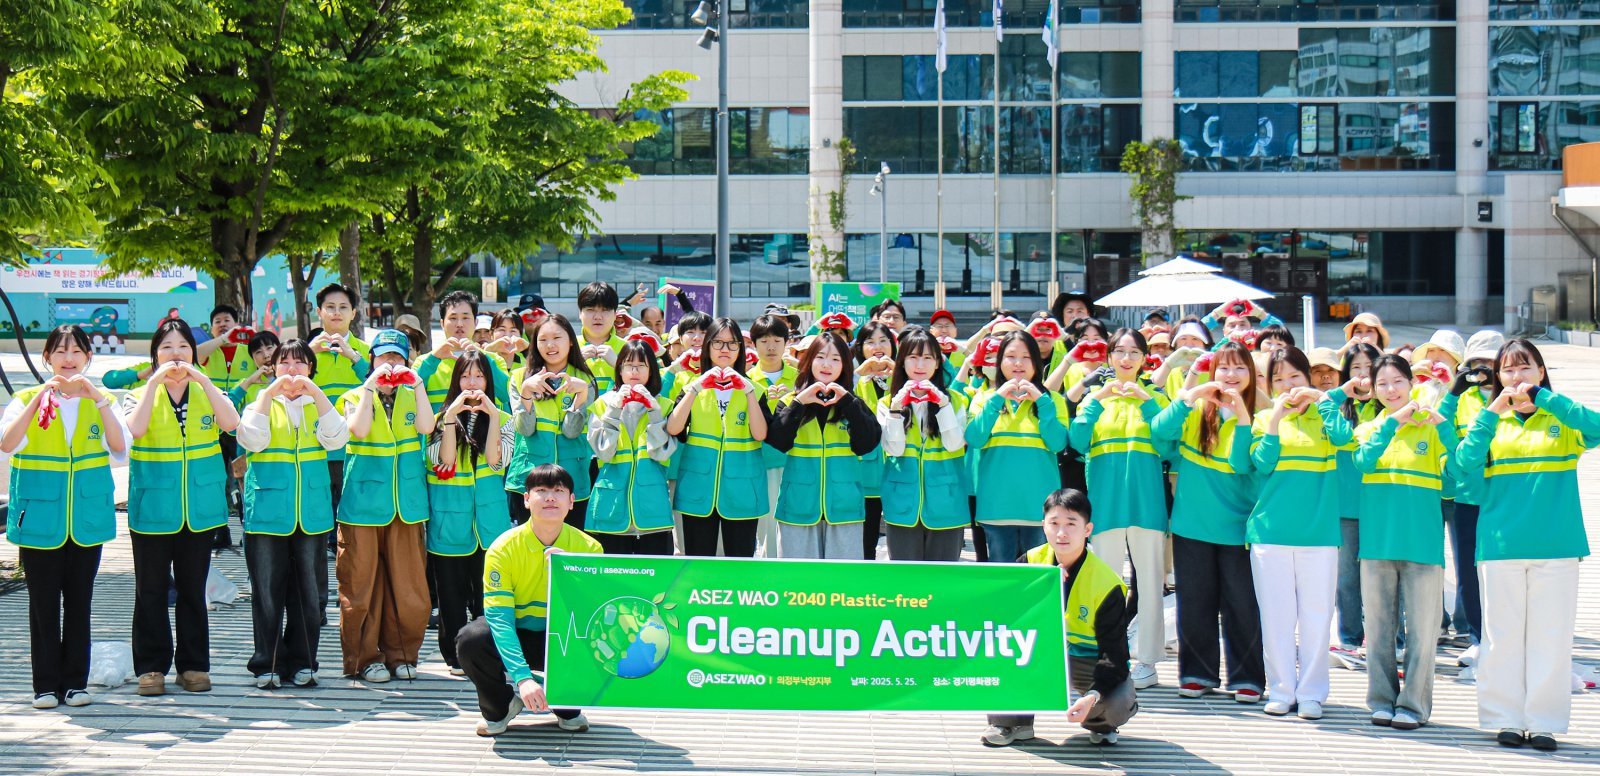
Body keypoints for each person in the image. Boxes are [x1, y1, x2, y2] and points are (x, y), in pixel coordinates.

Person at [1452, 338, 1598, 752]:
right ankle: (1505, 719)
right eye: (1508, 370)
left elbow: (1597, 427)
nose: (1517, 377)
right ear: (1498, 377)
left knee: (1550, 638)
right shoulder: (1491, 421)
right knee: (1501, 639)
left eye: (1525, 368)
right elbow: (1463, 466)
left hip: (1557, 546)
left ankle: (1544, 722)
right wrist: (1490, 412)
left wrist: (1548, 399)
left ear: (1540, 372)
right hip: (1501, 546)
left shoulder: (1562, 419)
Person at [2, 325, 130, 709]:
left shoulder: (101, 400)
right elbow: (7, 443)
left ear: (89, 358)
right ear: (47, 358)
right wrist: (38, 398)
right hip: (40, 516)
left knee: (79, 602)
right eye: (59, 351)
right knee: (42, 603)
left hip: (86, 518)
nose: (68, 358)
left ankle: (75, 683)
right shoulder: (26, 398)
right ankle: (44, 685)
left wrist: (100, 400)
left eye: (76, 351)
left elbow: (120, 448)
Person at [122, 320, 241, 696]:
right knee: (151, 591)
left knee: (193, 590)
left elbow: (231, 423)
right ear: (155, 355)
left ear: (195, 353)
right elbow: (135, 430)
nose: (176, 355)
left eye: (184, 348)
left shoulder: (209, 392)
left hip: (199, 509)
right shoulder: (138, 394)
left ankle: (192, 666)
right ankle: (151, 668)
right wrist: (154, 383)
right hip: (153, 507)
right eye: (167, 348)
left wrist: (204, 381)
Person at [1150, 341, 1265, 703]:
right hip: (1192, 524)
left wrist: (1241, 419)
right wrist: (1189, 395)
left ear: (1251, 374)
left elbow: (1246, 465)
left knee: (1242, 605)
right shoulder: (1198, 410)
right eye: (1223, 368)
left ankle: (1247, 677)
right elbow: (1158, 434)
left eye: (1239, 368)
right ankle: (1197, 673)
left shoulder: (1264, 414)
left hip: (1239, 527)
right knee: (1195, 602)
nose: (1230, 376)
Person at [1351, 354, 1458, 730]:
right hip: (1378, 544)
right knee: (1378, 629)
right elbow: (1363, 463)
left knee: (1423, 634)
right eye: (1382, 383)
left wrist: (1443, 426)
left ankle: (1413, 706)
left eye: (1398, 381)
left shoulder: (1431, 428)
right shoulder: (1370, 427)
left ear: (1412, 382)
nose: (1390, 390)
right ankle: (1380, 700)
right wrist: (1391, 426)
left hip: (1422, 544)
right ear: (1372, 388)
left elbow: (1456, 477)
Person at [1248, 346, 1355, 720]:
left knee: (1316, 618)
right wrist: (1276, 419)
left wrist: (1324, 401)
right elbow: (1261, 464)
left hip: (1319, 535)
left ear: (1308, 378)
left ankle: (1311, 693)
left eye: (1295, 377)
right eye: (1278, 379)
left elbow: (1345, 440)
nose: (1288, 386)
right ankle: (1280, 689)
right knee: (1276, 619)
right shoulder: (1262, 418)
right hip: (1270, 534)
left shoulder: (1326, 417)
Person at [982, 489, 1136, 747]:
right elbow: (1002, 622)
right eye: (1054, 523)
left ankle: (1099, 723)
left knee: (1117, 702)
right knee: (1001, 650)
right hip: (1038, 654)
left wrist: (1094, 696)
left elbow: (1116, 657)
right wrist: (1042, 592)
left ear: (1087, 530)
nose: (1062, 533)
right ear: (1043, 526)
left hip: (1085, 660)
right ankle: (1010, 722)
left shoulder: (1107, 583)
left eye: (1071, 524)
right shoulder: (1029, 563)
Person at [237, 338, 349, 689]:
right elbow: (251, 441)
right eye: (284, 363)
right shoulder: (261, 402)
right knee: (267, 591)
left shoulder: (319, 404)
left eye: (300, 363)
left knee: (309, 594)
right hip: (268, 511)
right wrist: (267, 396)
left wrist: (317, 395)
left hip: (311, 512)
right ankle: (266, 663)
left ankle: (304, 661)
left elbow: (337, 439)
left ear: (311, 369)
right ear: (272, 368)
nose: (292, 371)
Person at [458, 464, 601, 737]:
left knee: (592, 646)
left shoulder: (589, 548)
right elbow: (499, 620)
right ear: (525, 499)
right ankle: (501, 706)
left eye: (559, 491)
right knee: (472, 638)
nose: (550, 497)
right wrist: (523, 678)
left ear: (572, 501)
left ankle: (564, 703)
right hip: (516, 633)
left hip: (561, 638)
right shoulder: (503, 547)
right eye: (541, 490)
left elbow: (592, 619)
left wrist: (568, 575)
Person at [1068, 327, 1170, 690]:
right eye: (1119, 352)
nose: (1126, 359)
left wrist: (1148, 400)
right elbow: (1076, 441)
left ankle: (1148, 660)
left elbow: (1169, 442)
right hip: (1107, 504)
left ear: (1145, 359)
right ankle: (1108, 654)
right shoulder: (1095, 396)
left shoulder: (1157, 395)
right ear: (1109, 357)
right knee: (1106, 583)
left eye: (1134, 353)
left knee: (1149, 581)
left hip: (1146, 504)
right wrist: (1097, 400)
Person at [335, 329, 435, 683]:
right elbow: (358, 430)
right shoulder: (353, 395)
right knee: (360, 586)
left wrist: (418, 385)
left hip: (405, 505)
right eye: (383, 357)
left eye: (397, 358)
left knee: (409, 588)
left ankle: (403, 654)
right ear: (372, 359)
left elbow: (426, 426)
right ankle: (365, 658)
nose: (390, 365)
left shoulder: (413, 394)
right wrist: (370, 388)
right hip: (362, 505)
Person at [426, 350, 515, 676]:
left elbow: (497, 460)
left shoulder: (504, 419)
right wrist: (451, 417)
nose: (473, 383)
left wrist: (491, 414)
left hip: (490, 524)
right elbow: (443, 461)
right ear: (456, 380)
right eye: (466, 376)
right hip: (450, 522)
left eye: (479, 376)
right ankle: (453, 656)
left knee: (486, 596)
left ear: (489, 381)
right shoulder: (438, 419)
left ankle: (484, 654)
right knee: (450, 597)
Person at [764, 332, 882, 559]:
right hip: (798, 506)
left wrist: (847, 402)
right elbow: (778, 442)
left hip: (844, 507)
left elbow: (867, 444)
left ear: (845, 366)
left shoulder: (854, 403)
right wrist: (800, 402)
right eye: (820, 357)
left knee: (843, 583)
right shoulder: (791, 402)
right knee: (798, 582)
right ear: (808, 361)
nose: (827, 364)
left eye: (836, 359)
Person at [666, 317, 772, 557]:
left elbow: (760, 433)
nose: (725, 349)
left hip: (742, 488)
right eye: (718, 343)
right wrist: (695, 388)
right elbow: (673, 428)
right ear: (707, 347)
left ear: (741, 349)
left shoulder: (754, 389)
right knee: (697, 560)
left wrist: (748, 391)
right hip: (698, 488)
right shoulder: (692, 386)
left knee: (739, 562)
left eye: (732, 344)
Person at [967, 331, 1069, 564]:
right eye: (1011, 356)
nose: (1018, 363)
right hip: (996, 510)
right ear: (999, 362)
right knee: (1001, 584)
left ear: (1037, 362)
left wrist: (1041, 402)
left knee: (1038, 580)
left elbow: (1057, 443)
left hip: (1041, 511)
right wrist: (997, 399)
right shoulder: (984, 399)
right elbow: (974, 439)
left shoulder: (1053, 400)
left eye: (1026, 357)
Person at [876, 328, 968, 561]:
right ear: (902, 362)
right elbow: (893, 449)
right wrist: (897, 408)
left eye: (928, 358)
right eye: (913, 357)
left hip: (946, 500)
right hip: (902, 500)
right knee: (906, 579)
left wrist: (943, 404)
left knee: (944, 576)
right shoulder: (887, 402)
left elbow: (955, 444)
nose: (920, 364)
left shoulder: (955, 400)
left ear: (938, 363)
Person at [585, 341, 677, 555]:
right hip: (611, 505)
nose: (634, 371)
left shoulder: (664, 405)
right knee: (611, 581)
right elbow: (605, 452)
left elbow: (660, 451)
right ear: (619, 369)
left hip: (652, 507)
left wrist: (654, 411)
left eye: (641, 365)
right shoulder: (602, 404)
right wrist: (614, 410)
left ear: (652, 370)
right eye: (628, 365)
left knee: (657, 580)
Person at [1447, 329, 1504, 669]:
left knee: (1503, 570)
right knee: (1468, 570)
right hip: (1467, 496)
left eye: (1490, 363)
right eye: (1476, 363)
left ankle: (1505, 638)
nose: (1482, 371)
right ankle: (1477, 637)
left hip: (1504, 496)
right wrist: (1455, 388)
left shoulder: (1514, 397)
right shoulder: (1462, 398)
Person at [507, 314, 597, 528]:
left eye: (557, 338)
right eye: (542, 339)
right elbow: (525, 429)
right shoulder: (520, 377)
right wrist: (526, 393)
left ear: (571, 341)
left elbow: (572, 432)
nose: (550, 345)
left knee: (569, 549)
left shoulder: (585, 380)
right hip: (529, 479)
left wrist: (581, 397)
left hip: (571, 480)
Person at [1332, 343, 1382, 660]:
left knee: (1382, 577)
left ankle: (1388, 639)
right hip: (1345, 505)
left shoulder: (1393, 408)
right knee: (1347, 579)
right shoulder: (1337, 409)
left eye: (1369, 368)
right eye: (1355, 369)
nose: (1363, 376)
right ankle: (1350, 638)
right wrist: (1342, 393)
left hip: (1383, 506)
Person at [308, 283, 372, 515]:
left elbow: (380, 384)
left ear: (354, 313)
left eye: (344, 307)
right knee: (318, 515)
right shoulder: (304, 352)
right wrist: (308, 353)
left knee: (353, 515)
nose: (336, 312)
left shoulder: (367, 350)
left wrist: (353, 356)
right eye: (330, 307)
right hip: (314, 446)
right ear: (319, 311)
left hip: (356, 446)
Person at [749, 314, 798, 558]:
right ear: (753, 344)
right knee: (766, 531)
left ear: (786, 343)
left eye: (777, 340)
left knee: (797, 526)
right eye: (764, 341)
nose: (771, 347)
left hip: (798, 461)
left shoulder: (801, 377)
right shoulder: (745, 380)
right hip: (761, 462)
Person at [416, 291, 512, 410]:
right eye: (453, 318)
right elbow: (410, 395)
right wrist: (433, 360)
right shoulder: (424, 362)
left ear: (476, 322)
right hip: (440, 428)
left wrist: (482, 358)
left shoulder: (494, 360)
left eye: (466, 317)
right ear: (442, 323)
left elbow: (507, 395)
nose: (459, 324)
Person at [853, 321, 898, 558]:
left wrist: (898, 371)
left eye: (883, 341)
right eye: (870, 342)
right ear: (860, 348)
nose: (877, 347)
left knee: (900, 538)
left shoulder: (904, 376)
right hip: (866, 470)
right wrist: (859, 374)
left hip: (899, 468)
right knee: (866, 538)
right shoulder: (856, 379)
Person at [576, 281, 629, 392]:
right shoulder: (567, 346)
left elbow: (643, 386)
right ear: (580, 313)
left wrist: (618, 365)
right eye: (590, 310)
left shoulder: (629, 349)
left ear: (615, 315)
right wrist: (575, 363)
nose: (598, 317)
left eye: (605, 310)